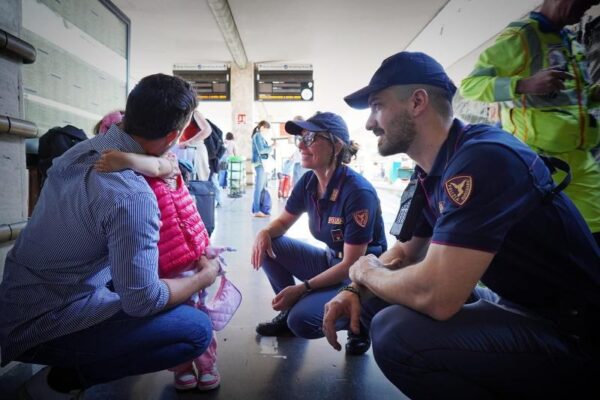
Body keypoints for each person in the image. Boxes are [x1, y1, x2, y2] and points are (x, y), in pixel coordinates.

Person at [321, 51, 600, 399]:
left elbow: (437, 297)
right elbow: (406, 253)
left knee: (396, 332)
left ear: (417, 102)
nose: (369, 123)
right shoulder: (432, 169)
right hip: (515, 304)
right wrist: (353, 289)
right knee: (379, 299)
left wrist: (364, 273)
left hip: (572, 332)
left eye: (377, 106)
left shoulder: (482, 157)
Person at [0, 74, 220, 398]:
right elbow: (143, 300)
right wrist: (206, 276)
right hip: (45, 325)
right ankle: (58, 383)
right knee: (195, 331)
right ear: (173, 136)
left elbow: (159, 164)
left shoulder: (77, 153)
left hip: (17, 300)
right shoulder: (132, 197)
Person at [94, 129, 233, 391]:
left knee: (197, 312)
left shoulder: (165, 161)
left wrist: (124, 159)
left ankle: (206, 364)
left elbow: (158, 166)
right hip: (160, 265)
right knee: (172, 314)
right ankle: (182, 367)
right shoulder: (125, 178)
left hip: (188, 260)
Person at [460, 0, 600, 244]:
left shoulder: (572, 42)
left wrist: (594, 94)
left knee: (595, 235)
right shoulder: (522, 37)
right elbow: (470, 87)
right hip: (542, 164)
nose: (587, 7)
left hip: (582, 160)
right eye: (585, 1)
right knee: (551, 242)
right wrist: (524, 85)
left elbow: (575, 99)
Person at [251, 112, 387, 356]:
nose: (301, 145)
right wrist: (265, 232)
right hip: (329, 260)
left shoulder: (357, 192)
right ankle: (288, 309)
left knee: (301, 322)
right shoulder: (308, 183)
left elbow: (350, 265)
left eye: (311, 137)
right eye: (301, 138)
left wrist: (302, 288)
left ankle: (361, 321)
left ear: (336, 145)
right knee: (269, 245)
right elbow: (282, 223)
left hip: (360, 274)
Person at [251, 120, 272, 217]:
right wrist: (272, 147)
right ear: (262, 127)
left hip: (262, 164)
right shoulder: (257, 136)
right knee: (258, 188)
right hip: (259, 163)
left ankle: (261, 209)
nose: (267, 131)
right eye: (267, 129)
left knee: (262, 188)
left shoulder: (260, 137)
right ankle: (256, 210)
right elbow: (262, 150)